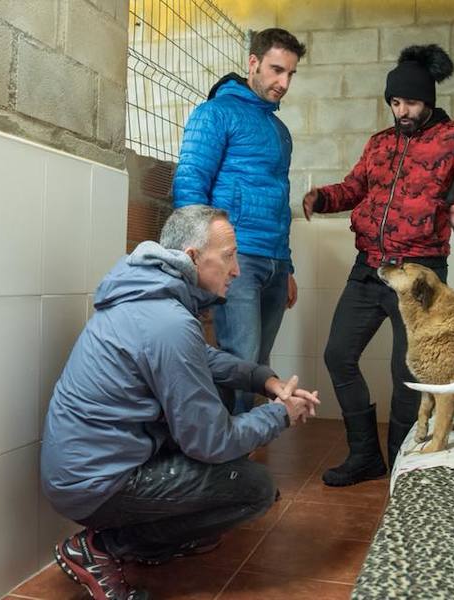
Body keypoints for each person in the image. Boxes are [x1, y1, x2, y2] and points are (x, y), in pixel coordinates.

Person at [41, 205, 319, 600]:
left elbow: (203, 359)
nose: (236, 270)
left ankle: (154, 541)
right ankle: (102, 548)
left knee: (233, 475)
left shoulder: (149, 296)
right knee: (253, 489)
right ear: (191, 258)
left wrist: (264, 379)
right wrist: (281, 414)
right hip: (96, 482)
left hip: (86, 468)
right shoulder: (167, 321)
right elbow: (211, 442)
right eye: (228, 257)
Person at [302, 44, 454, 487]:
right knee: (338, 354)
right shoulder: (380, 143)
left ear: (427, 100)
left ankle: (403, 471)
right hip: (370, 268)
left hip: (420, 274)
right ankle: (366, 456)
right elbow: (355, 187)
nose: (402, 110)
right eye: (394, 102)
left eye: (409, 102)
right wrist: (323, 198)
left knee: (407, 375)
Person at [172, 28, 307, 415]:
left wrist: (288, 267)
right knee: (239, 360)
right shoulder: (215, 113)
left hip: (274, 263)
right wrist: (195, 255)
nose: (283, 83)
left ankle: (240, 455)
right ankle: (222, 459)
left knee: (259, 367)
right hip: (237, 260)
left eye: (291, 74)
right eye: (276, 70)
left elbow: (279, 204)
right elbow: (190, 182)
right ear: (253, 63)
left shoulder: (280, 131)